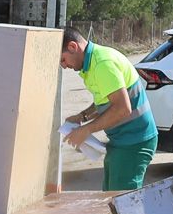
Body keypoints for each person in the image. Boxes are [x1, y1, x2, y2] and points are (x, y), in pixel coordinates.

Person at [60, 27, 158, 190]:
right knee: (110, 197)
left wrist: (86, 130)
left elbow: (122, 109)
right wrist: (83, 116)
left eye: (63, 60)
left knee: (122, 200)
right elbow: (106, 100)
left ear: (72, 47)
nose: (64, 66)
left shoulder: (102, 64)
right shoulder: (93, 63)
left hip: (134, 142)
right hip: (123, 140)